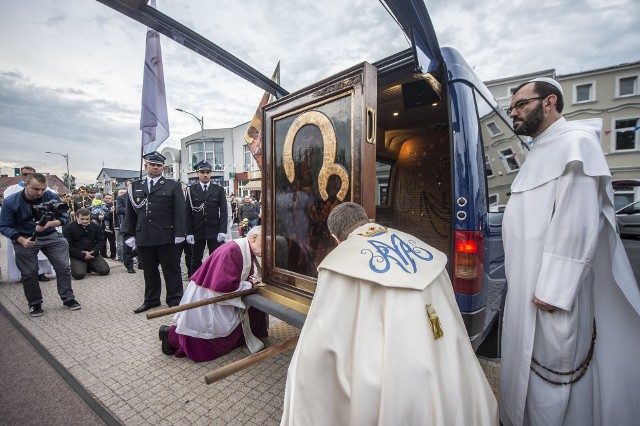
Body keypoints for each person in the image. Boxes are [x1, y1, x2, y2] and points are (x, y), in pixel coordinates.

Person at [500, 77, 640, 426]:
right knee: (530, 377)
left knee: (555, 381)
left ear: (549, 103)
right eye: (511, 107)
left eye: (521, 104)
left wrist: (553, 290)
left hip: (551, 297)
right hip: (528, 288)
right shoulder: (541, 149)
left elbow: (576, 223)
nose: (513, 113)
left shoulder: (576, 143)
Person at [281, 203, 498, 425]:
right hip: (449, 371)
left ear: (336, 238)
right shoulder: (419, 246)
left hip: (397, 383)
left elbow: (319, 344)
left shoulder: (338, 265)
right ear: (368, 220)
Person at [158, 226, 268, 362]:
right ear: (254, 238)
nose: (268, 251)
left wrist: (250, 281)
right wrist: (251, 285)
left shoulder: (244, 249)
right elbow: (223, 287)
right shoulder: (233, 250)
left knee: (250, 313)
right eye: (266, 245)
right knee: (210, 345)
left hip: (217, 296)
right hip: (209, 299)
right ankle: (170, 336)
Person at [0, 173, 81, 317]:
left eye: (43, 189)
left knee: (63, 267)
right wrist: (21, 240)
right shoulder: (11, 201)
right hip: (25, 237)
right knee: (29, 272)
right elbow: (4, 226)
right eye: (36, 189)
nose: (40, 193)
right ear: (25, 185)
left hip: (50, 235)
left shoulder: (51, 196)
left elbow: (63, 217)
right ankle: (35, 303)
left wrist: (50, 223)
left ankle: (68, 298)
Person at [124, 151, 186, 313]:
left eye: (159, 165)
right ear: (146, 166)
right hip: (144, 235)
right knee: (149, 271)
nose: (155, 168)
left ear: (163, 168)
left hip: (167, 235)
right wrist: (129, 234)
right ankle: (151, 300)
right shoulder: (135, 187)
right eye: (152, 165)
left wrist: (180, 233)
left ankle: (175, 299)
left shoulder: (173, 186)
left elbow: (180, 211)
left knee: (171, 269)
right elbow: (130, 213)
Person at [3, 166, 55, 282]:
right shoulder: (11, 190)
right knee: (22, 254)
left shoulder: (46, 190)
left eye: (29, 174)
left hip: (39, 227)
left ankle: (41, 272)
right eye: (24, 174)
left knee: (41, 253)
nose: (26, 176)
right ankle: (23, 274)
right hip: (20, 228)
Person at [185, 160, 229, 275]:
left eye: (208, 172)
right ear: (197, 173)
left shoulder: (218, 189)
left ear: (211, 174)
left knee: (215, 257)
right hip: (197, 230)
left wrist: (222, 230)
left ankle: (214, 280)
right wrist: (188, 232)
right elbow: (187, 212)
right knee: (195, 259)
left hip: (214, 230)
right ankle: (194, 282)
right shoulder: (191, 190)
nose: (205, 175)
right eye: (202, 172)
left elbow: (224, 211)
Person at [62, 208, 110, 280]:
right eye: (82, 219)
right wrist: (82, 254)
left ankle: (88, 265)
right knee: (78, 275)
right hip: (77, 254)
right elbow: (67, 246)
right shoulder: (68, 228)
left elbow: (101, 241)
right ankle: (80, 265)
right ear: (77, 217)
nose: (85, 221)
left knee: (105, 271)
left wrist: (93, 252)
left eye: (87, 219)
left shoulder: (96, 226)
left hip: (92, 253)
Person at [115, 185, 136, 273]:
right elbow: (119, 210)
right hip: (128, 225)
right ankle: (129, 265)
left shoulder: (140, 196)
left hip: (140, 225)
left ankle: (141, 263)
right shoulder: (121, 198)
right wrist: (133, 209)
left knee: (141, 246)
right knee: (128, 246)